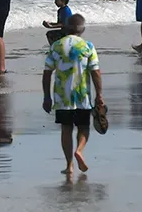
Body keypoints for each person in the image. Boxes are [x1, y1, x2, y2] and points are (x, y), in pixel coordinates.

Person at [42, 14, 103, 175]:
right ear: (82, 29)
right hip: (82, 97)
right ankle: (80, 151)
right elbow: (95, 73)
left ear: (66, 27)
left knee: (66, 129)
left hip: (62, 98)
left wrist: (46, 97)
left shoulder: (56, 46)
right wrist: (100, 95)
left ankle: (69, 165)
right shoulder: (88, 46)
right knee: (84, 127)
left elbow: (47, 73)